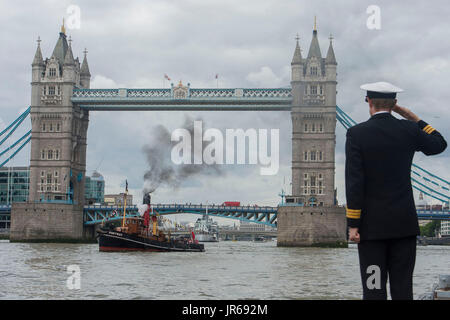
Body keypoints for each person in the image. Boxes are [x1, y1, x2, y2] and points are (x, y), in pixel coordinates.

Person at [345, 81, 447, 300]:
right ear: (395, 104)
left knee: (374, 289)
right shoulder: (409, 129)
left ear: (368, 102)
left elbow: (354, 182)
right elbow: (439, 143)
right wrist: (412, 117)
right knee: (402, 289)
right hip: (404, 227)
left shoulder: (356, 134)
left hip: (371, 231)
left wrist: (353, 225)